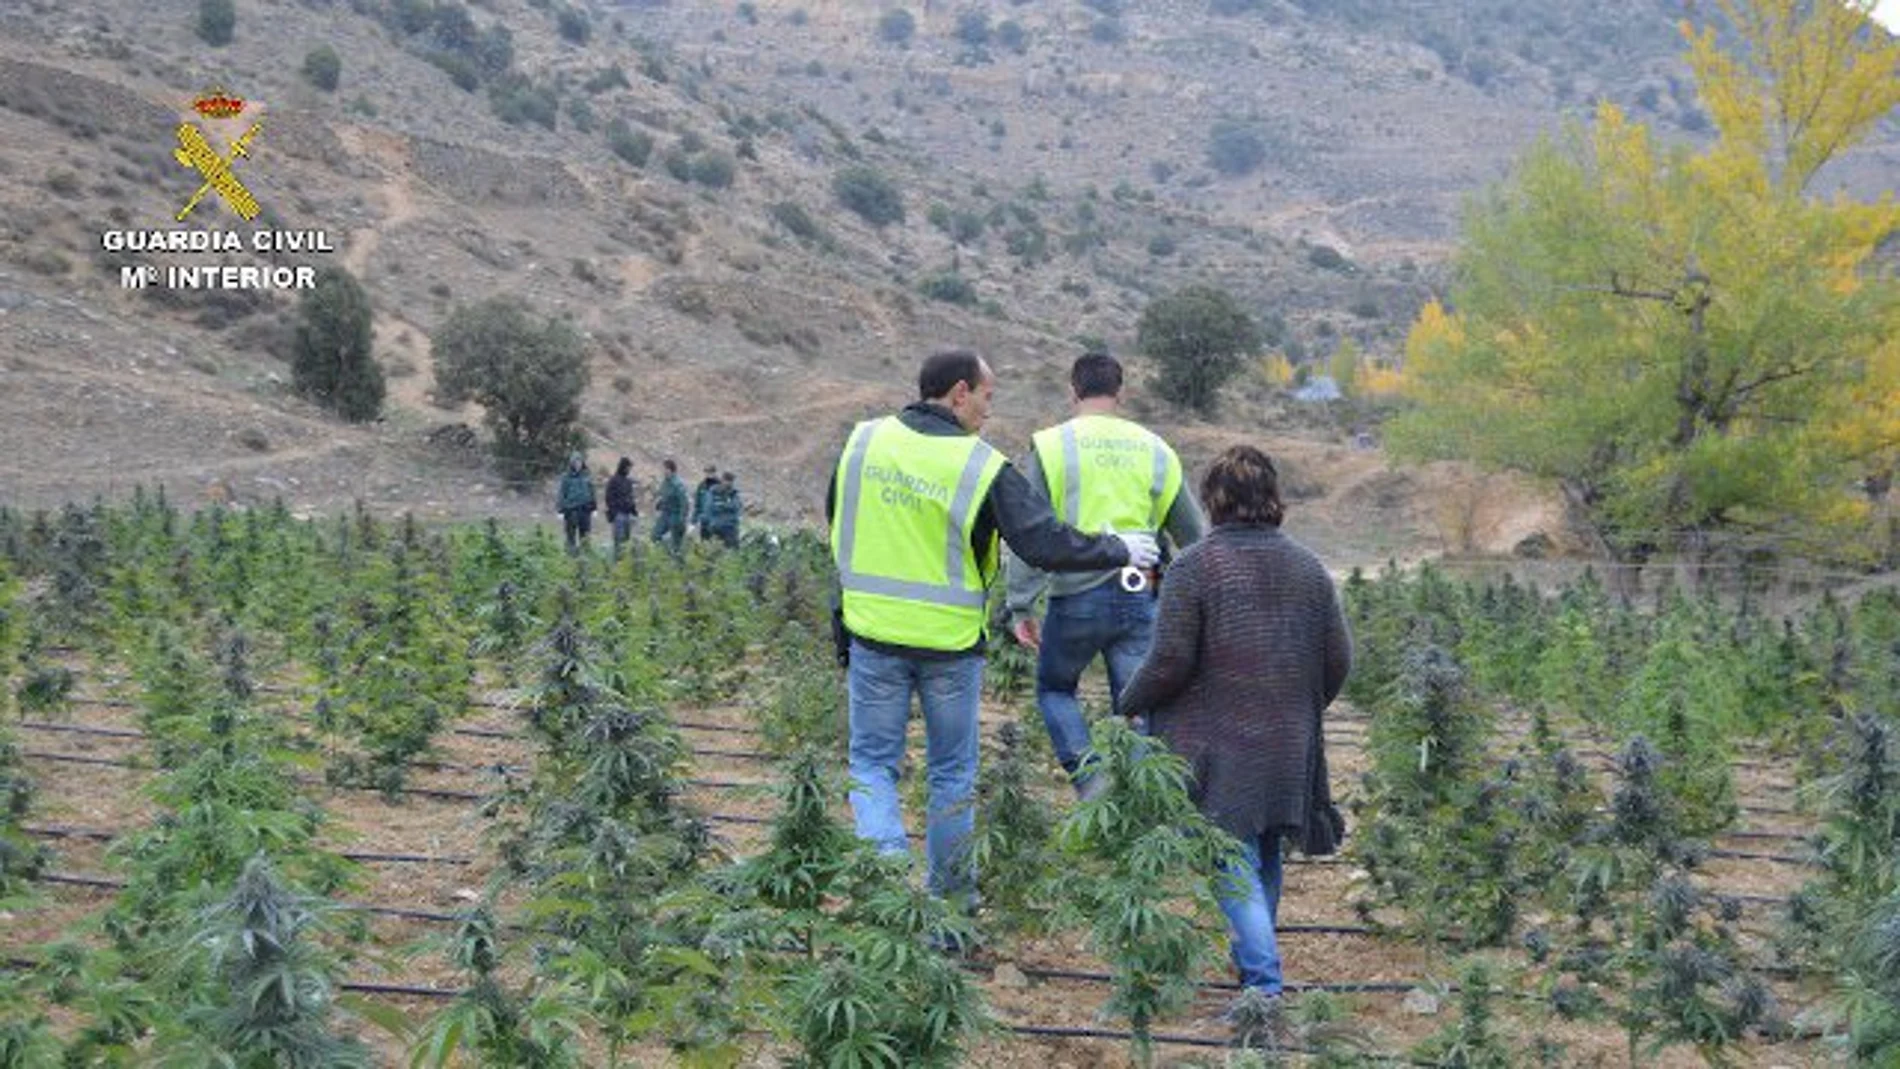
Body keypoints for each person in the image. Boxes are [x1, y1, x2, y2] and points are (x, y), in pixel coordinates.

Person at [826, 349, 1159, 910]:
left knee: (872, 766)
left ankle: (886, 892)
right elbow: (1044, 541)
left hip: (873, 637)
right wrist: (1119, 547)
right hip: (950, 648)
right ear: (959, 393)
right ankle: (952, 906)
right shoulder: (980, 465)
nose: (988, 409)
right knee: (951, 774)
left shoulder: (863, 442)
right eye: (986, 396)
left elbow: (837, 516)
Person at [1118, 444, 1352, 1004]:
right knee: (1264, 850)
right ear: (1273, 498)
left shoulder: (1195, 567)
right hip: (1288, 737)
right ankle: (1254, 962)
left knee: (1229, 855)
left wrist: (1129, 700)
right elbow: (1339, 658)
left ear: (1213, 502)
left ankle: (1264, 984)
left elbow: (1170, 659)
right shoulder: (1309, 568)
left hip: (1217, 741)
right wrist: (1299, 707)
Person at [1004, 351, 1204, 796]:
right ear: (1121, 393)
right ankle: (1136, 803)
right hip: (1142, 590)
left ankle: (1092, 781)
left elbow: (1029, 531)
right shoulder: (1156, 449)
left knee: (1056, 690)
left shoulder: (1053, 445)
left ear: (1072, 391)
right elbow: (1194, 534)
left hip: (1075, 595)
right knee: (1136, 702)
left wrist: (1020, 603)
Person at [555, 451, 597, 555]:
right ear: (572, 463)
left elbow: (592, 492)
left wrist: (594, 508)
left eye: (580, 462)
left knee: (585, 536)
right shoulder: (566, 477)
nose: (578, 464)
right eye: (575, 462)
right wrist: (560, 510)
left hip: (585, 510)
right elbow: (561, 493)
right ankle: (570, 558)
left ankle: (586, 558)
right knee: (570, 536)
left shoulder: (587, 476)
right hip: (571, 511)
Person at [651, 458, 688, 556]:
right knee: (655, 536)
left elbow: (684, 502)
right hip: (665, 513)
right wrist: (659, 504)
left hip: (675, 515)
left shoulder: (678, 484)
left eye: (664, 469)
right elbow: (664, 495)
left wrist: (682, 518)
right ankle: (667, 555)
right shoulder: (665, 482)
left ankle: (677, 563)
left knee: (677, 543)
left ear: (670, 470)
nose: (662, 471)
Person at [605, 456, 638, 560]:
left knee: (626, 542)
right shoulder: (613, 480)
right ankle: (618, 565)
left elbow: (630, 497)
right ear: (623, 467)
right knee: (619, 542)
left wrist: (634, 511)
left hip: (627, 514)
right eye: (628, 467)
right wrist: (614, 512)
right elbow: (608, 498)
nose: (629, 470)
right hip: (618, 515)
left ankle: (624, 565)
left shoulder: (628, 481)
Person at [705, 471, 742, 548]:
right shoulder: (714, 492)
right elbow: (709, 507)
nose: (729, 483)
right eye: (727, 480)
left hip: (730, 527)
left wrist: (722, 506)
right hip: (716, 526)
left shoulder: (734, 493)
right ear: (722, 480)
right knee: (716, 551)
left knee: (732, 551)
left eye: (731, 481)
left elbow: (736, 507)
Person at [692, 465, 721, 540]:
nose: (708, 474)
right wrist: (693, 520)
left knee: (716, 543)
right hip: (704, 521)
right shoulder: (701, 486)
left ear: (715, 473)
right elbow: (697, 504)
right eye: (706, 472)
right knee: (704, 542)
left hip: (716, 521)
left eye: (710, 472)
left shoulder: (720, 486)